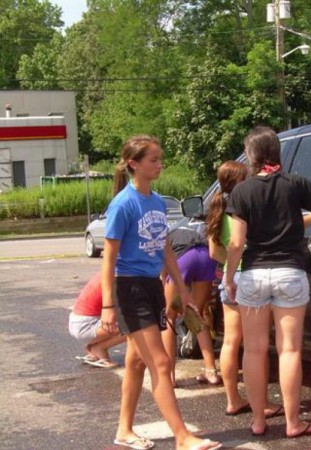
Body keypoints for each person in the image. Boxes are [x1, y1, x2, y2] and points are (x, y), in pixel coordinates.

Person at [224, 126, 311, 438]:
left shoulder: (241, 192)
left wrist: (229, 277)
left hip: (254, 274)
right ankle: (292, 423)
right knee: (289, 350)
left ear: (251, 155)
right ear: (276, 153)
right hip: (290, 272)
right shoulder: (295, 183)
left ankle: (258, 421)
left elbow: (235, 244)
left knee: (255, 351)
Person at [100, 135, 222, 450]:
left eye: (160, 159)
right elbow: (109, 258)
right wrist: (107, 306)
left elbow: (165, 247)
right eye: (153, 160)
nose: (160, 165)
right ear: (133, 164)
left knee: (136, 363)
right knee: (162, 363)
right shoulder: (123, 204)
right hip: (129, 288)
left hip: (154, 286)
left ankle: (124, 430)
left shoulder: (155, 200)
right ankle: (182, 437)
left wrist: (183, 291)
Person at [206, 160, 282, 418]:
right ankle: (262, 403)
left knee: (230, 341)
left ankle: (233, 400)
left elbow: (214, 252)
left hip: (228, 276)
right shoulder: (244, 209)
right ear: (241, 182)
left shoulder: (218, 209)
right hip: (248, 275)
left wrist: (229, 265)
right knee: (256, 346)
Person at [161, 222, 221, 387]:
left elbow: (163, 271)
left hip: (183, 258)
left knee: (168, 319)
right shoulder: (186, 228)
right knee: (195, 316)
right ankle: (211, 372)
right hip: (204, 256)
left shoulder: (162, 236)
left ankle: (170, 376)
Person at [69, 271, 126, 368]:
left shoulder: (109, 272)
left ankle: (94, 347)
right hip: (86, 325)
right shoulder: (118, 276)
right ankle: (99, 348)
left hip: (78, 322)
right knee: (136, 326)